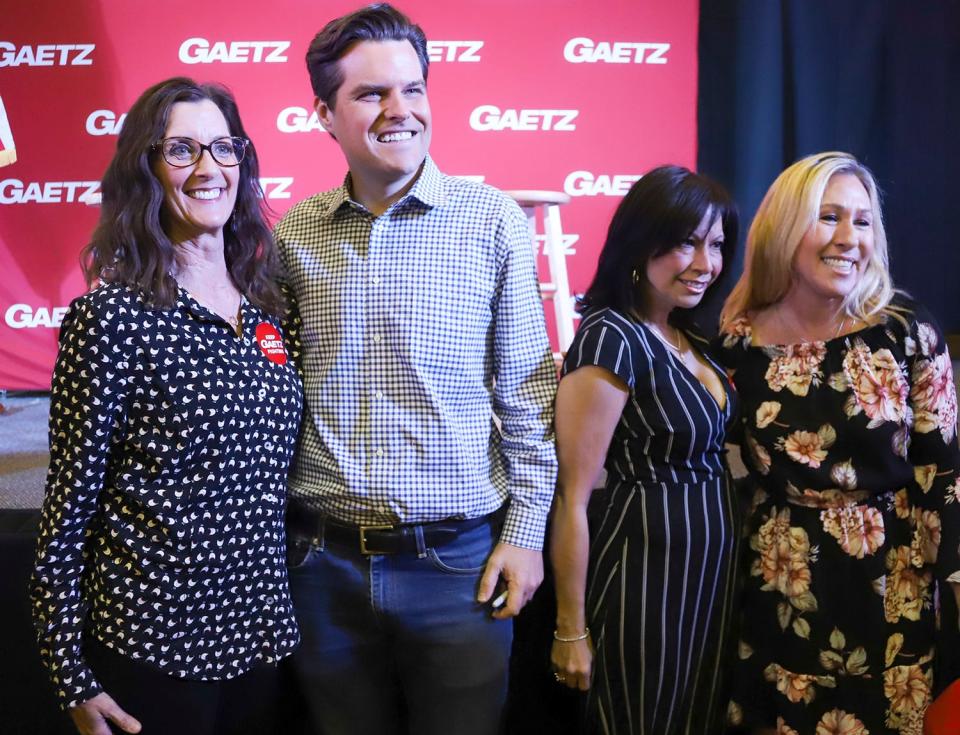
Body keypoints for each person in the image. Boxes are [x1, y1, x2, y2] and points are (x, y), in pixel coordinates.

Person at [274, 5, 558, 735]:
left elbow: (529, 394)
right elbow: (272, 392)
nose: (400, 110)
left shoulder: (490, 219)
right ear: (324, 114)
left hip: (457, 566)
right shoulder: (294, 232)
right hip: (321, 566)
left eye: (414, 89)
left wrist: (525, 536)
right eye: (371, 94)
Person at [30, 77, 303, 735]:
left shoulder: (273, 305)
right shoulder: (111, 318)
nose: (209, 168)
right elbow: (67, 511)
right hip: (155, 649)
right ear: (147, 168)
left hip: (263, 642)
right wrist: (70, 674)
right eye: (182, 150)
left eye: (223, 147)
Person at [717, 151, 960, 734]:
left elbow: (943, 474)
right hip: (779, 586)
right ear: (784, 227)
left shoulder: (905, 330)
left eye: (863, 220)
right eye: (828, 217)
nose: (849, 238)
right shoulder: (735, 344)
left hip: (891, 589)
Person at [549, 165, 741, 734]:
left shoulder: (691, 337)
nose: (705, 264)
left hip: (709, 585)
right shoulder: (612, 335)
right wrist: (570, 627)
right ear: (641, 242)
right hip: (644, 583)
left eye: (716, 245)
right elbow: (572, 498)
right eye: (686, 242)